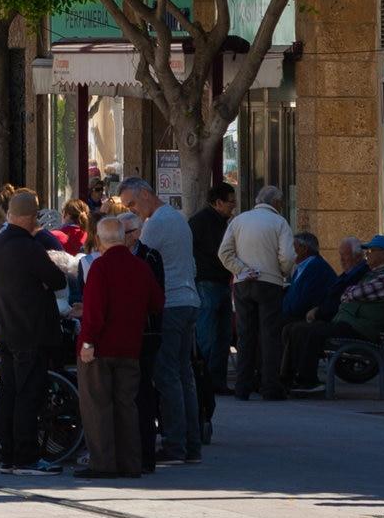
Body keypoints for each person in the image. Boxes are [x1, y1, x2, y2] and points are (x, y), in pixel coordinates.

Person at [0, 190, 71, 474]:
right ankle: (26, 457)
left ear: (10, 215)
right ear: (32, 218)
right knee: (28, 394)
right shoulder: (29, 246)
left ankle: (8, 456)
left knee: (9, 392)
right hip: (31, 331)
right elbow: (57, 280)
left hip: (4, 329)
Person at [121, 179, 201, 465]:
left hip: (171, 304)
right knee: (183, 377)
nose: (133, 210)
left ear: (145, 194)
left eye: (132, 204)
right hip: (189, 300)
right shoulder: (177, 218)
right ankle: (191, 445)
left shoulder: (154, 224)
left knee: (167, 377)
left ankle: (175, 446)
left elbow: (139, 263)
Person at [77, 214, 161, 479]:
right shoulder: (140, 266)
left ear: (100, 240)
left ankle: (103, 463)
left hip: (101, 348)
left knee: (98, 406)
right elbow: (157, 302)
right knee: (127, 405)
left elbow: (94, 312)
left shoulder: (100, 267)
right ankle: (130, 462)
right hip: (131, 346)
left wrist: (88, 341)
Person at [282, 236, 384, 389]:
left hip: (361, 329)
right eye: (368, 250)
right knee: (293, 328)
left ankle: (307, 381)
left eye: (373, 250)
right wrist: (350, 292)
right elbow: (348, 292)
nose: (368, 254)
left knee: (308, 331)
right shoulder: (374, 274)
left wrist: (350, 292)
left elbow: (352, 293)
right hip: (350, 324)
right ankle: (286, 377)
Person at [218, 185, 296, 400]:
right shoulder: (280, 223)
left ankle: (243, 386)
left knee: (246, 335)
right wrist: (281, 272)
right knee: (270, 336)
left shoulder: (239, 220)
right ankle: (270, 386)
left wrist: (241, 269)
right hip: (269, 283)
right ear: (277, 202)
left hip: (243, 283)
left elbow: (224, 252)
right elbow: (288, 256)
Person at [266, 231, 340, 398]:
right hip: (301, 314)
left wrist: (283, 310)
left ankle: (283, 377)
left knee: (281, 326)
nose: (289, 250)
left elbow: (300, 302)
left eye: (293, 246)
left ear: (304, 249)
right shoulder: (303, 267)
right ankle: (275, 375)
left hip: (312, 317)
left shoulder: (315, 267)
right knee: (273, 323)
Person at [190, 182, 236, 403]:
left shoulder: (222, 222)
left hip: (220, 282)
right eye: (230, 203)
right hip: (207, 283)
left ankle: (216, 381)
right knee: (207, 335)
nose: (233, 207)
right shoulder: (203, 222)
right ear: (218, 202)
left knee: (222, 335)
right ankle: (203, 380)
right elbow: (217, 251)